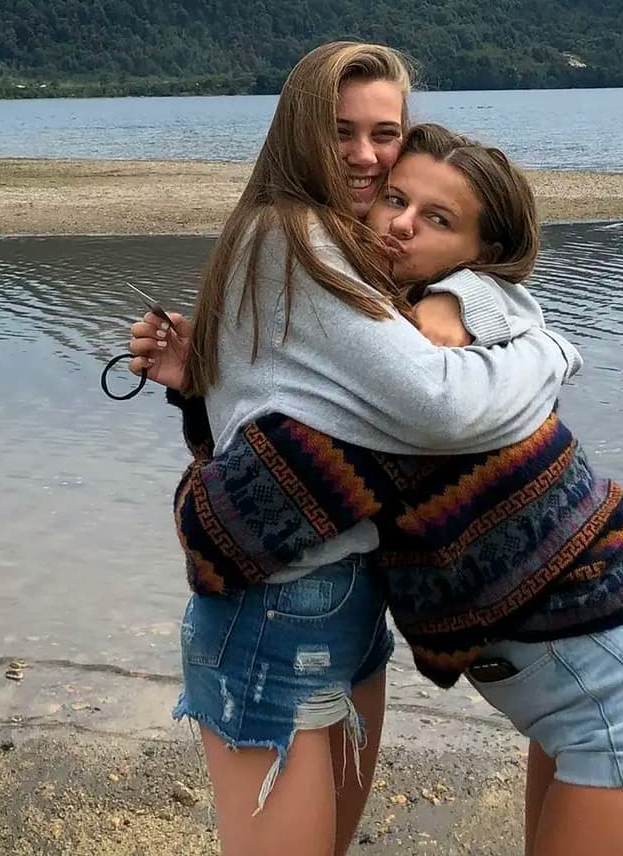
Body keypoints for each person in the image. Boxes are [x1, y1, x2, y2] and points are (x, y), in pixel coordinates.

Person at [134, 122, 623, 856]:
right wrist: (207, 388)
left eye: (437, 219)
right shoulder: (435, 336)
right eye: (395, 198)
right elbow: (511, 317)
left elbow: (223, 530)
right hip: (605, 683)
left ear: (479, 255)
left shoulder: (416, 385)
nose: (398, 224)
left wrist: (224, 400)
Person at [128, 42, 584, 856]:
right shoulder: (294, 236)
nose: (368, 157)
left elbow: (273, 402)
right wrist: (552, 353)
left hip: (343, 595)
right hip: (278, 609)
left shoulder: (336, 242)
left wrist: (463, 293)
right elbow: (441, 405)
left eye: (386, 132)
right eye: (343, 131)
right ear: (302, 127)